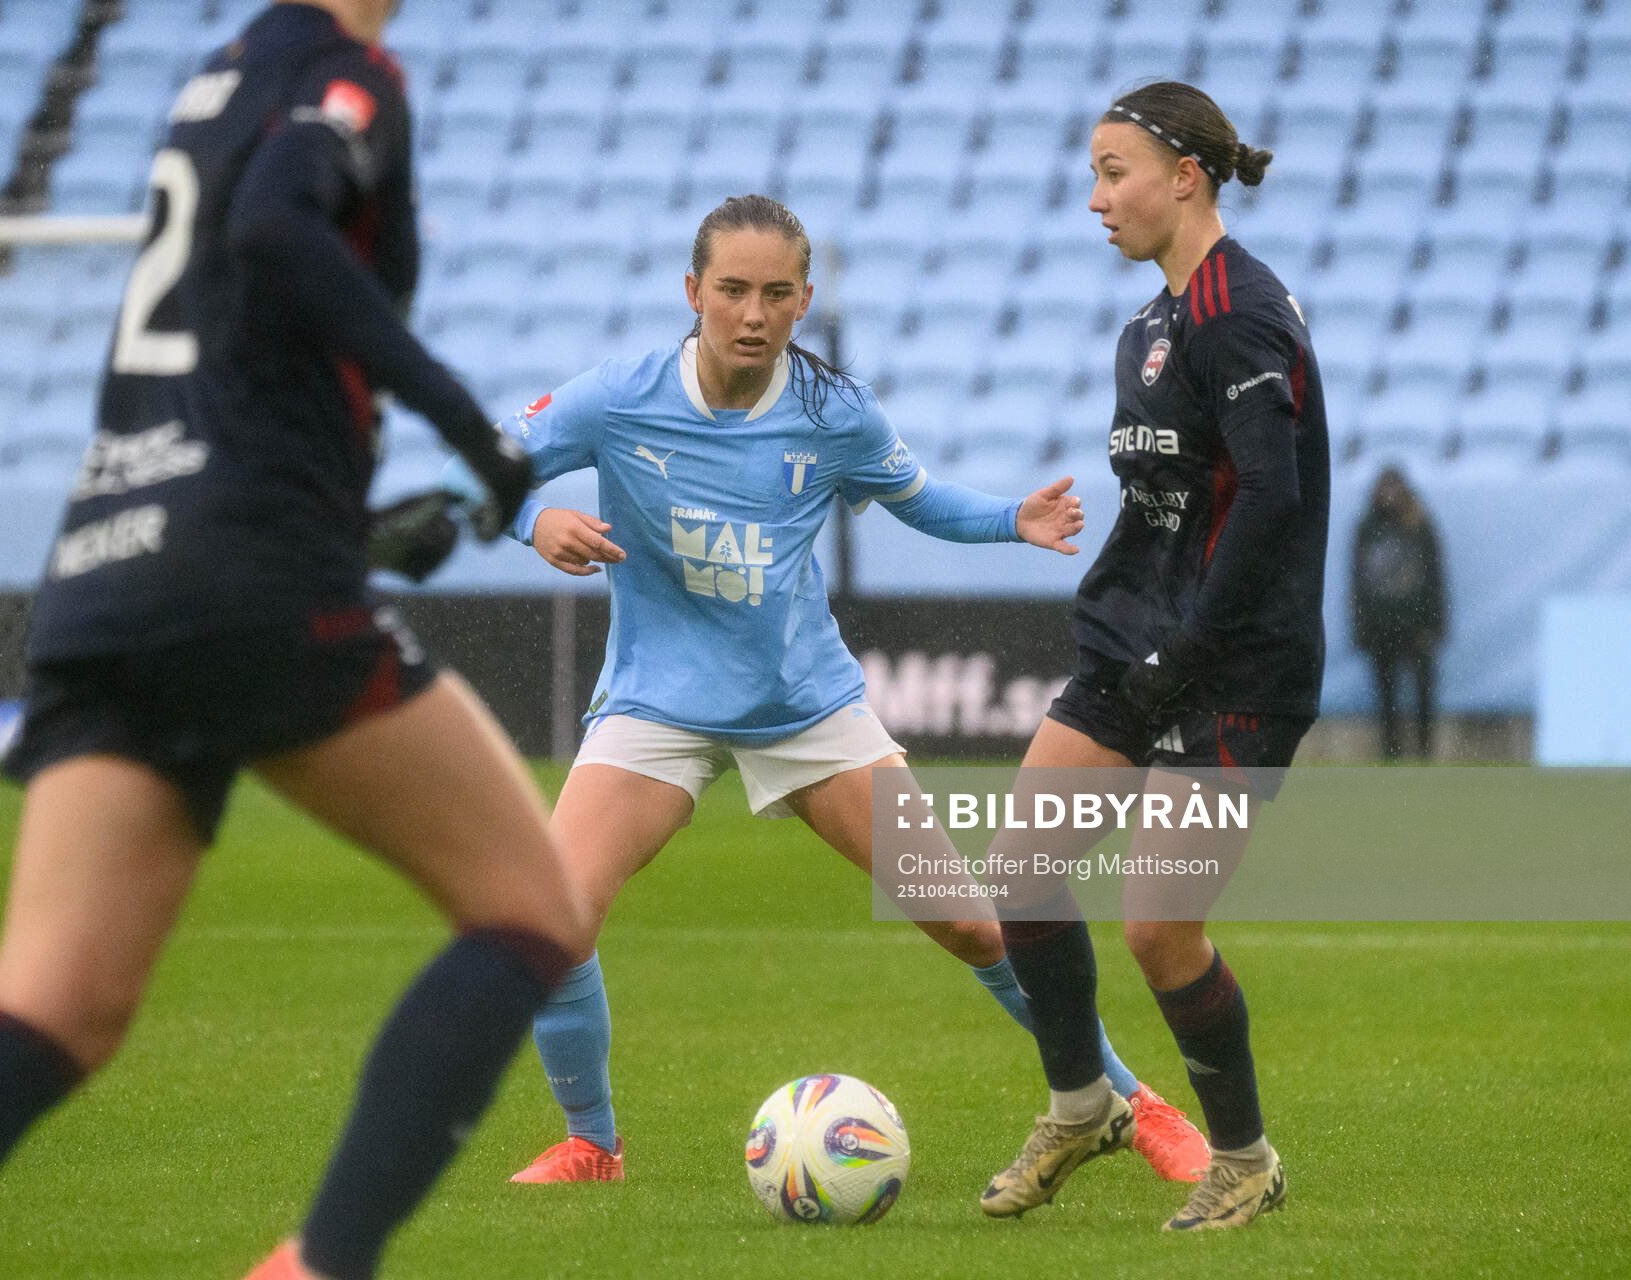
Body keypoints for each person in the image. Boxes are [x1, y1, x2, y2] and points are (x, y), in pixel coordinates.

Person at [0, 5, 586, 1279]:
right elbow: (276, 227)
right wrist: (468, 426)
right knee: (532, 909)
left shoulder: (219, 81)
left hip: (114, 559)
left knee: (48, 1010)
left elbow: (231, 340)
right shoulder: (346, 75)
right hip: (249, 567)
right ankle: (325, 1263)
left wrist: (344, 516)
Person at [447, 193, 1213, 1190]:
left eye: (776, 293)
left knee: (972, 924)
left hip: (806, 707)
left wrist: (1009, 518)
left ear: (804, 300)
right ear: (692, 291)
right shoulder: (619, 396)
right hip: (657, 704)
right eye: (732, 290)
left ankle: (1134, 1105)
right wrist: (535, 522)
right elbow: (487, 469)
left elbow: (917, 497)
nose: (752, 313)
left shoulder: (831, 411)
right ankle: (593, 1144)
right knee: (553, 919)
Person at [973, 81, 1329, 1231]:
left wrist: (1193, 644)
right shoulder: (1149, 326)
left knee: (1159, 928)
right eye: (1093, 172)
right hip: (1137, 643)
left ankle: (1245, 1158)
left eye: (1111, 170)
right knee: (1022, 870)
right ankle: (1083, 1106)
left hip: (1237, 666)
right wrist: (1138, 630)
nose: (1095, 197)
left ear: (1185, 176)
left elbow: (1271, 499)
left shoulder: (1242, 310)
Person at [1352, 465, 1446, 760]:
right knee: (1386, 696)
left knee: (1424, 693)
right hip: (1381, 628)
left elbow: (1435, 578)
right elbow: (1358, 583)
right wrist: (1361, 626)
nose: (1389, 494)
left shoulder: (1419, 525)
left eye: (1393, 487)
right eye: (1384, 488)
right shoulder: (1368, 528)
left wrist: (1435, 625)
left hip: (1416, 627)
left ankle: (1424, 752)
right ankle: (1390, 753)